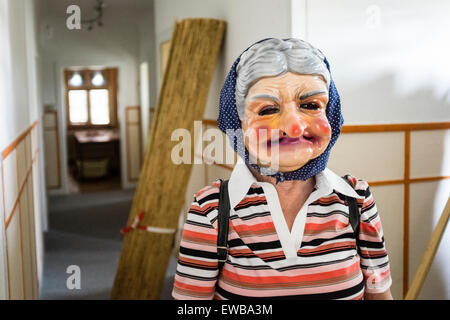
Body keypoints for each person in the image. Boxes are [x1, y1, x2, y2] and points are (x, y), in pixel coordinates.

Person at [172, 38, 393, 300]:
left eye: (310, 105)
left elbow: (380, 294)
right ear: (238, 121)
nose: (294, 127)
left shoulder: (357, 199)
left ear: (331, 113)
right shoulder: (210, 209)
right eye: (268, 109)